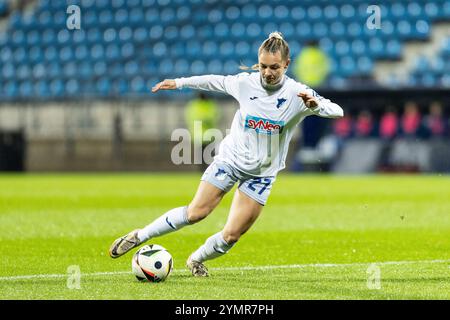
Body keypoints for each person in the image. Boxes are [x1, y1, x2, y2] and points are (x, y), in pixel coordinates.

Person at [109, 32, 344, 277]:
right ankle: (139, 236)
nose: (267, 72)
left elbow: (337, 111)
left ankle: (196, 259)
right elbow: (213, 81)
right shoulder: (245, 83)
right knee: (195, 213)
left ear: (286, 64)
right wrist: (179, 82)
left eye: (274, 67)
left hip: (262, 175)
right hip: (230, 161)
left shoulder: (298, 93)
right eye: (263, 66)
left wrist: (315, 105)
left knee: (232, 235)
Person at [185, 92, 220, 171]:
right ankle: (203, 170)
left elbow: (213, 116)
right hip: (200, 134)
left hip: (207, 134)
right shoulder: (196, 105)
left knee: (209, 154)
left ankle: (208, 169)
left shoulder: (195, 105)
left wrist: (203, 119)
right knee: (203, 154)